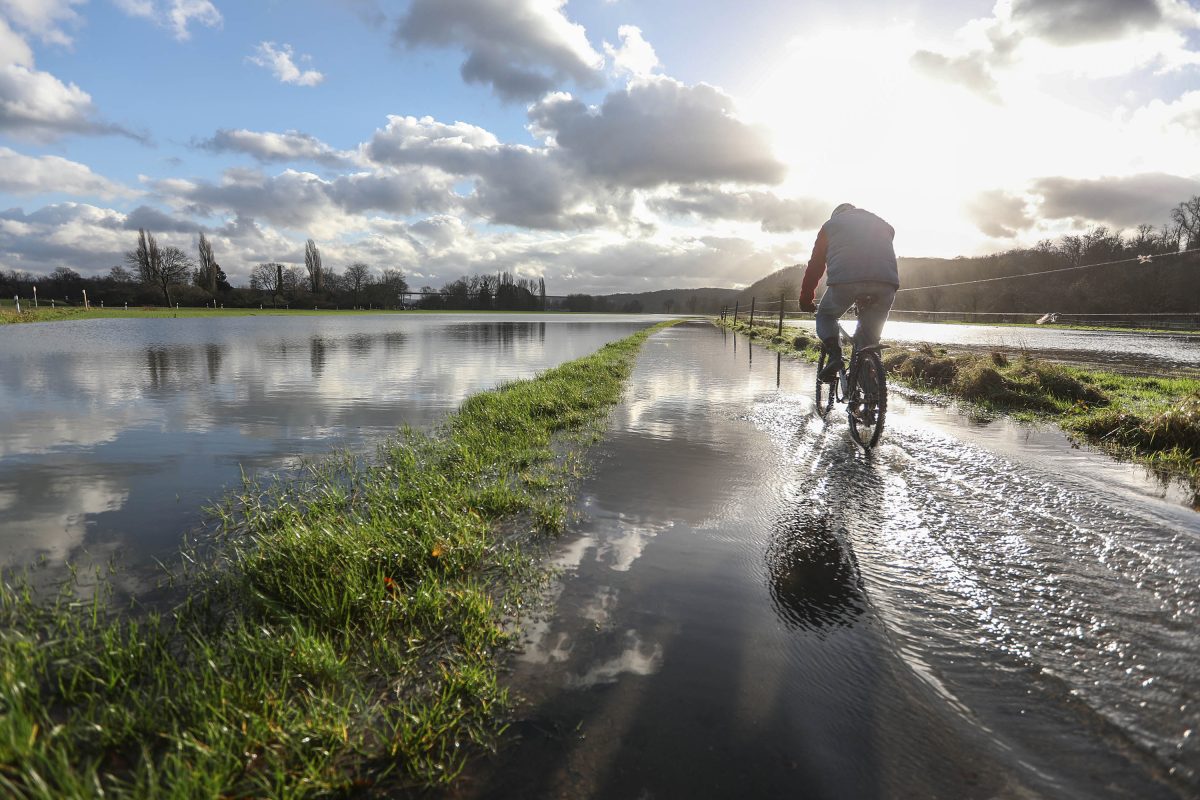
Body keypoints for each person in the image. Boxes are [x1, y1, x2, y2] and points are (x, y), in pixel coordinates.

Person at [798, 203, 898, 382]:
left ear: (835, 215)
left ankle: (835, 357)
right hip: (886, 284)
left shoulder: (830, 226)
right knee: (868, 341)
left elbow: (815, 266)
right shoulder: (882, 223)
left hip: (846, 282)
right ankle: (870, 393)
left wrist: (806, 299)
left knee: (826, 316)